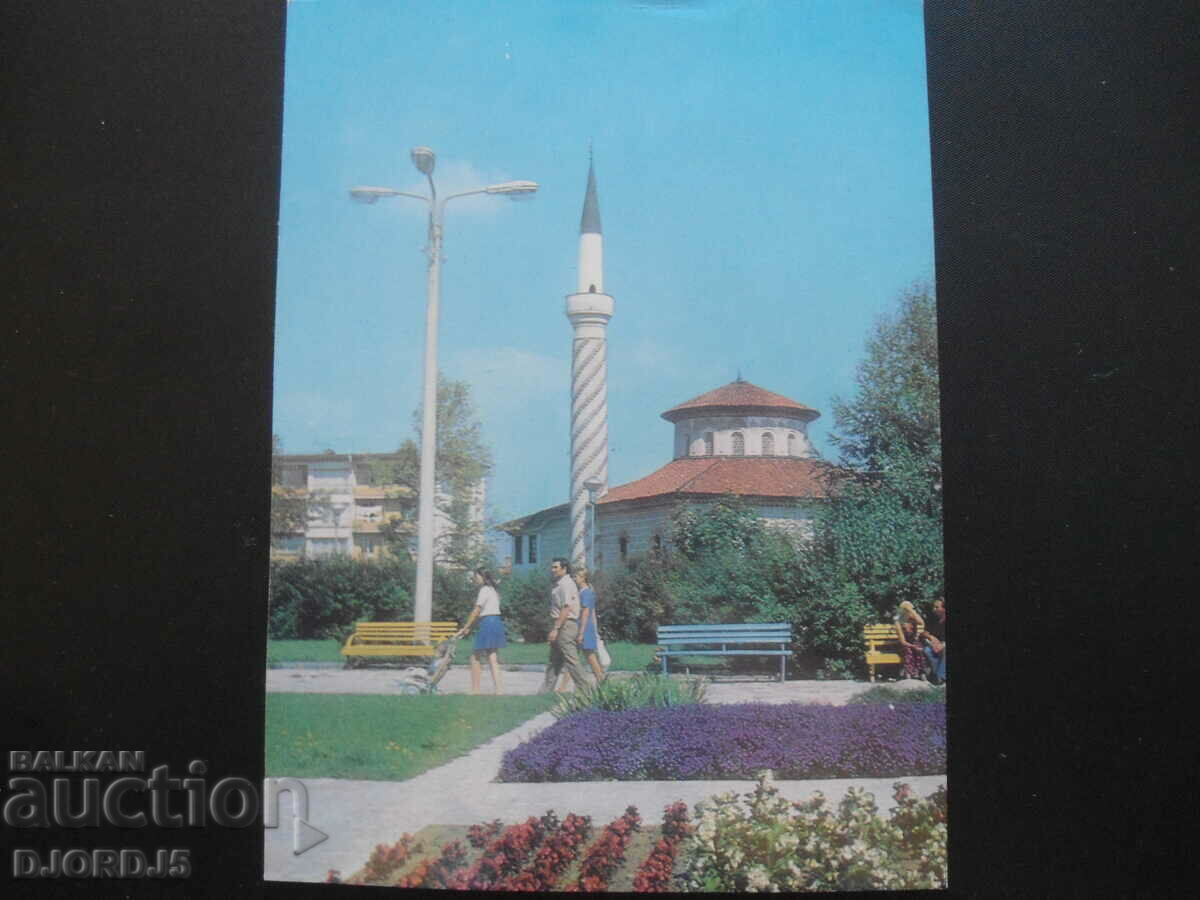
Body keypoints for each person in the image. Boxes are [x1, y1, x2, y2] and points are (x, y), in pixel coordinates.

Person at [538, 558, 591, 693]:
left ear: (564, 569)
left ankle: (587, 689)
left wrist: (556, 629)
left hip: (565, 625)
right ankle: (545, 691)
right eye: (552, 567)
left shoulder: (566, 584)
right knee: (554, 660)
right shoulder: (559, 584)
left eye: (556, 567)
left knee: (571, 659)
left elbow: (566, 608)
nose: (553, 570)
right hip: (560, 622)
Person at [454, 568, 505, 695]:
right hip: (496, 622)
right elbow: (484, 613)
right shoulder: (493, 590)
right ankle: (499, 690)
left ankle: (475, 690)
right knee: (492, 657)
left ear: (483, 577)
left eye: (476, 577)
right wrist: (469, 628)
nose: (475, 579)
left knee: (475, 657)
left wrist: (465, 627)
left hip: (488, 623)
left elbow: (477, 611)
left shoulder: (484, 590)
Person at [573, 567, 607, 683]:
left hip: (584, 628)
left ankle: (601, 680)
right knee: (573, 657)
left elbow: (586, 613)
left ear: (583, 578)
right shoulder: (582, 592)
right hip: (582, 627)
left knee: (590, 657)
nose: (574, 578)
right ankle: (564, 686)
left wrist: (581, 633)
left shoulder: (586, 593)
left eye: (576, 576)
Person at [893, 600, 926, 680]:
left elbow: (921, 622)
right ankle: (908, 674)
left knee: (919, 648)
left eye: (909, 610)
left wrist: (912, 611)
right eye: (906, 610)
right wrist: (913, 646)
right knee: (909, 650)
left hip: (914, 642)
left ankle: (922, 673)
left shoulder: (913, 619)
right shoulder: (898, 622)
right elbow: (903, 642)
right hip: (903, 644)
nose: (908, 612)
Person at [921, 598, 947, 685]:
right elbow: (924, 632)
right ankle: (938, 676)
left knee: (944, 651)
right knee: (927, 650)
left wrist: (942, 645)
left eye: (937, 607)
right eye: (933, 607)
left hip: (943, 645)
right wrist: (930, 637)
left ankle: (940, 676)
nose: (933, 609)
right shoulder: (932, 618)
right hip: (934, 644)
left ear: (944, 609)